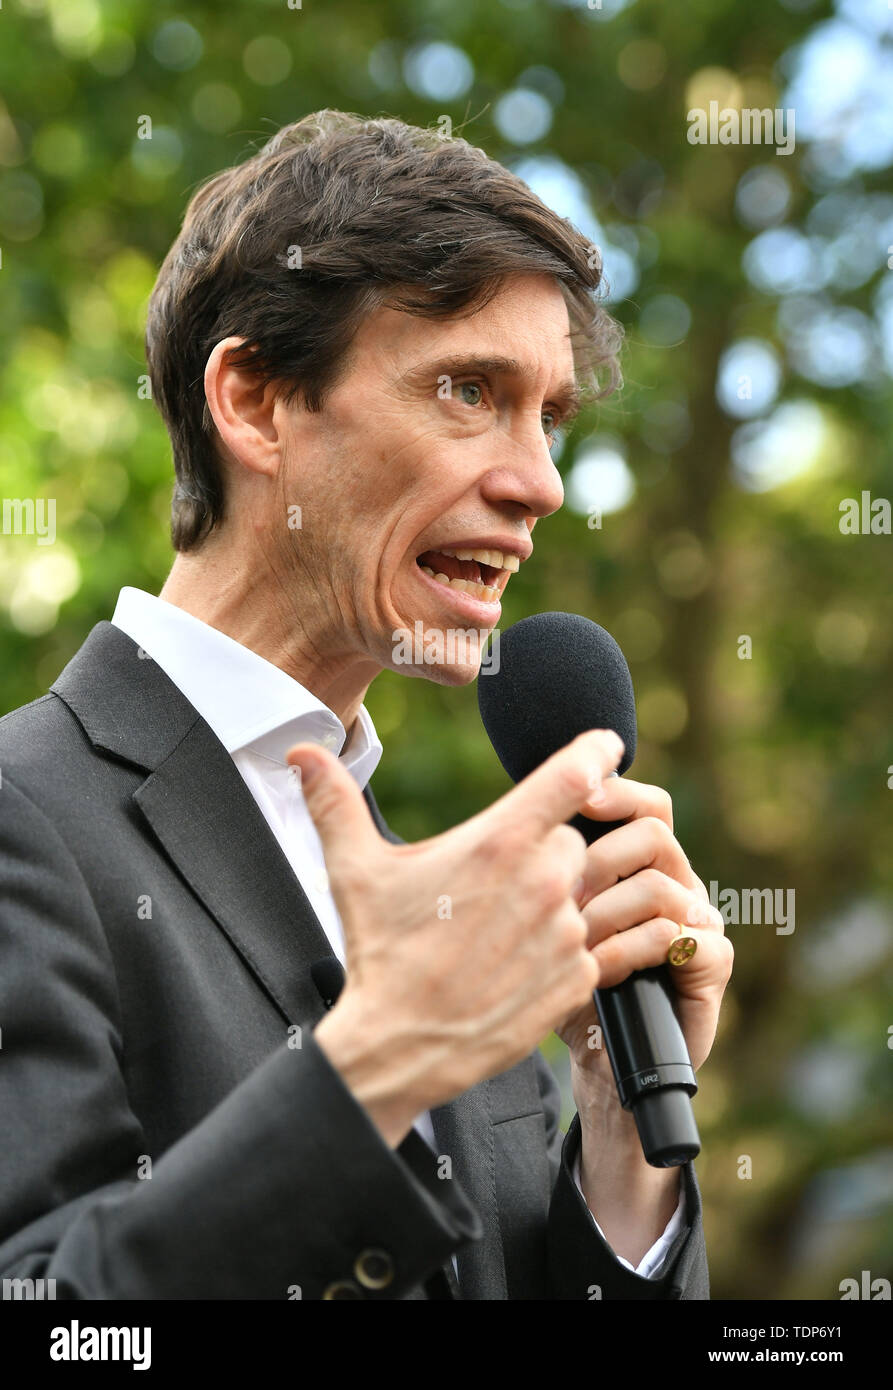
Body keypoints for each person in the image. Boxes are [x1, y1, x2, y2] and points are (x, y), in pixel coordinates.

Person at [0, 111, 732, 1300]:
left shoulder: (452, 910)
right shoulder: (23, 818)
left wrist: (617, 1129)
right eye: (465, 390)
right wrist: (372, 1069)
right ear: (253, 401)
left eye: (548, 417)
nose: (539, 483)